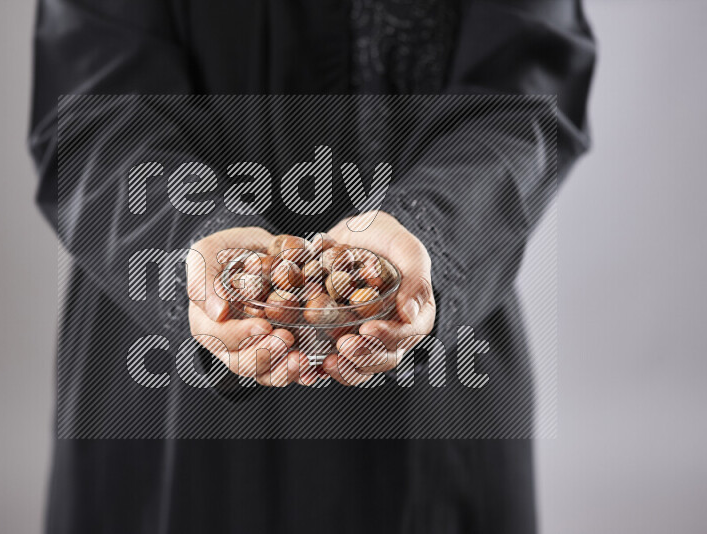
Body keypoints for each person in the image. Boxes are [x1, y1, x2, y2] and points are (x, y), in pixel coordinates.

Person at [29, 0, 595, 532]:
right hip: (170, 387)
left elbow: (527, 85)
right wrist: (191, 242)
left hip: (432, 371)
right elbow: (90, 112)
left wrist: (434, 231)